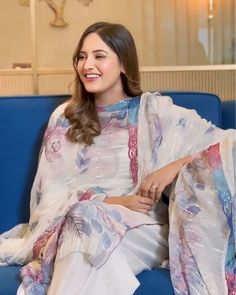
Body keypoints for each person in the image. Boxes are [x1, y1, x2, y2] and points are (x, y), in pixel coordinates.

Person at [0, 22, 235, 295]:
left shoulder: (155, 113)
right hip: (82, 226)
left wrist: (174, 167)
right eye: (82, 56)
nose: (88, 64)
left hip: (145, 229)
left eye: (99, 56)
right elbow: (49, 199)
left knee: (83, 229)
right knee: (86, 232)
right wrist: (113, 202)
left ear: (123, 63)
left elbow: (227, 145)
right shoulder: (65, 118)